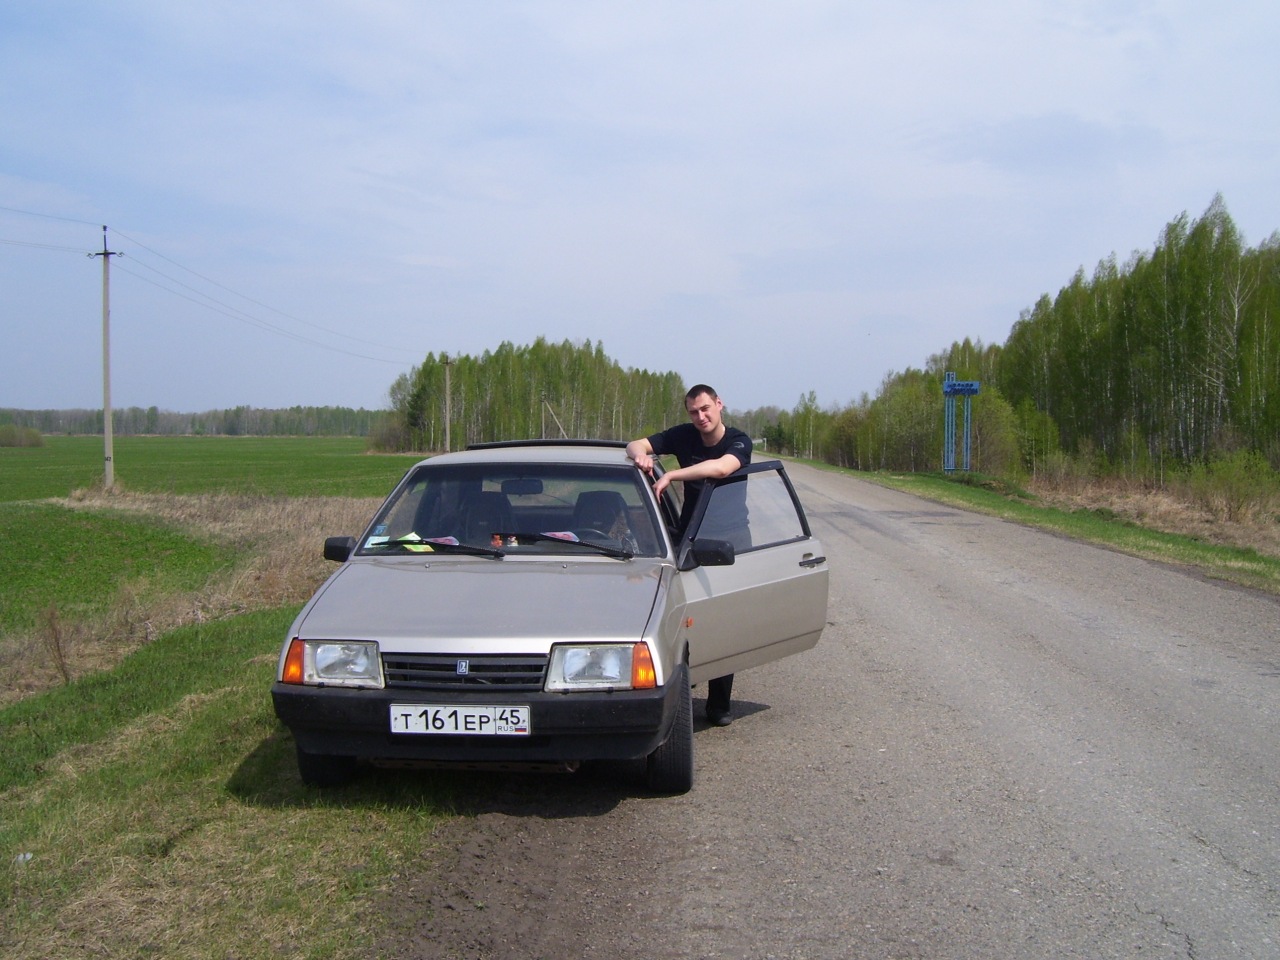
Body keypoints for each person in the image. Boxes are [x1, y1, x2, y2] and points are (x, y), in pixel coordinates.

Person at [626, 384, 752, 726]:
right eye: (694, 412)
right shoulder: (683, 435)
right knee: (686, 612)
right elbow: (636, 444)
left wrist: (672, 474)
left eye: (706, 409)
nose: (701, 417)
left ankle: (719, 704)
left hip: (730, 538)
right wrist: (640, 455)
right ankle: (685, 679)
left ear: (719, 404)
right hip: (690, 535)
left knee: (724, 619)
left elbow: (721, 468)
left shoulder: (738, 441)